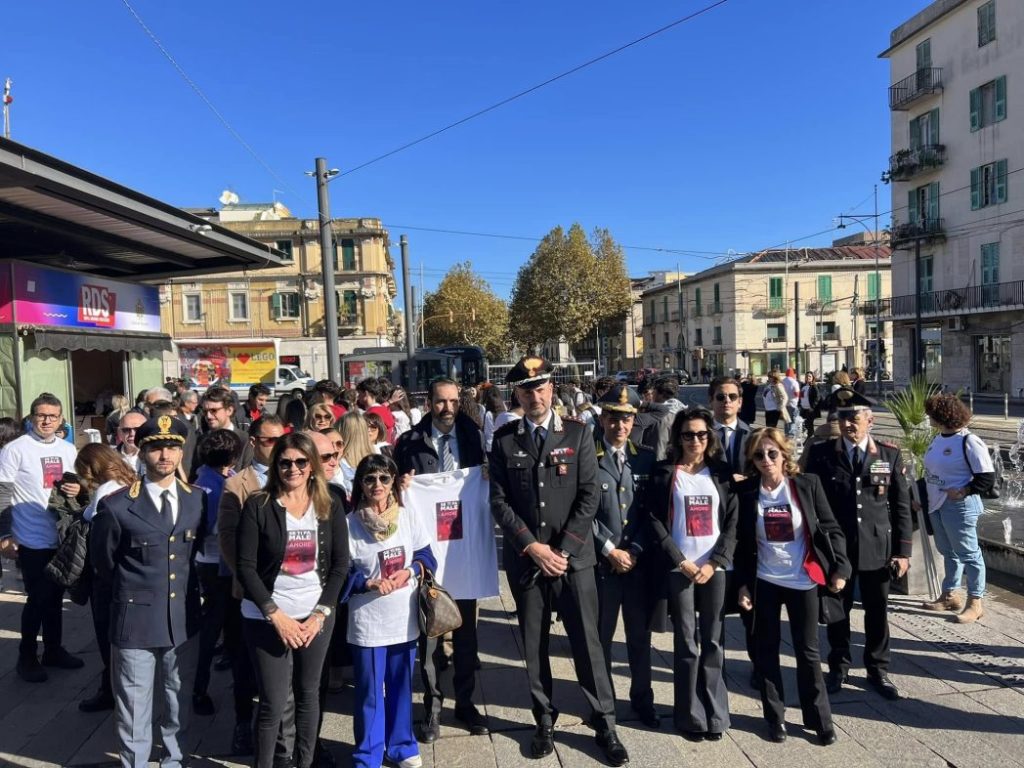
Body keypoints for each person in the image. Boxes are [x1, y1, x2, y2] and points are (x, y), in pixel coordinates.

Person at [489, 356, 628, 766]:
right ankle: (544, 719)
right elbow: (499, 501)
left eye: (542, 386)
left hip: (574, 561)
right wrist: (532, 547)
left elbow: (589, 496)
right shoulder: (505, 440)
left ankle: (605, 723)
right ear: (517, 393)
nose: (535, 395)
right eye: (527, 389)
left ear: (553, 388)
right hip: (529, 560)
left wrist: (563, 550)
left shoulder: (579, 433)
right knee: (535, 646)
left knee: (588, 643)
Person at [90, 415, 205, 768]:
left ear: (182, 451)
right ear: (141, 451)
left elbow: (193, 553)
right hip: (135, 621)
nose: (164, 455)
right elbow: (104, 564)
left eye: (172, 447)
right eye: (156, 447)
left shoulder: (197, 500)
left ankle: (173, 761)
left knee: (177, 700)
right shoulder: (117, 505)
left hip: (182, 620)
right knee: (134, 707)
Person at [236, 432, 350, 768]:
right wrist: (277, 617)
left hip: (315, 615)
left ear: (313, 465)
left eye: (301, 461)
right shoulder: (259, 505)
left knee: (309, 694)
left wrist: (319, 615)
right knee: (272, 701)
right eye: (285, 462)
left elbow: (340, 565)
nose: (293, 468)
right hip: (267, 616)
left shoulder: (329, 503)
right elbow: (245, 567)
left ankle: (306, 761)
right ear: (276, 465)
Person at [734, 428, 849, 746]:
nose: (766, 460)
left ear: (785, 454)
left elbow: (830, 528)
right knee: (766, 651)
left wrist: (841, 568)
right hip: (765, 581)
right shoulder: (747, 492)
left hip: (802, 580)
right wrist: (742, 585)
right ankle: (775, 718)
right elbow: (742, 545)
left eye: (772, 453)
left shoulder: (806, 485)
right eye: (759, 455)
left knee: (808, 652)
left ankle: (819, 719)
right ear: (752, 459)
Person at [393, 377, 490, 742]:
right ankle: (432, 708)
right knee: (430, 635)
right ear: (429, 402)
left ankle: (465, 703)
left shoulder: (473, 435)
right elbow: (395, 494)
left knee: (466, 634)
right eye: (440, 401)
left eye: (452, 401)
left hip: (464, 553)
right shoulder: (409, 442)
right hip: (428, 555)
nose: (447, 408)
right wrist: (403, 487)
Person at [802, 387, 912, 700]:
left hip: (877, 549)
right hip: (837, 549)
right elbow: (810, 501)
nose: (850, 423)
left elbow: (901, 506)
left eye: (856, 417)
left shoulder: (888, 454)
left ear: (870, 420)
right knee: (838, 610)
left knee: (877, 612)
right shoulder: (823, 454)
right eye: (844, 417)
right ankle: (838, 666)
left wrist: (903, 552)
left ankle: (878, 669)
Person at [647, 407, 736, 740]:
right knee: (687, 642)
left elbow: (732, 523)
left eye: (701, 434)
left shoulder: (722, 473)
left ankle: (716, 714)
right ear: (678, 438)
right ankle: (689, 716)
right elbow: (654, 520)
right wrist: (680, 559)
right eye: (688, 434)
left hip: (714, 568)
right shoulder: (665, 473)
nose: (695, 440)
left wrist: (716, 561)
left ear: (709, 437)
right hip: (680, 567)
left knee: (713, 640)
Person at [343, 454, 436, 768]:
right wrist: (367, 584)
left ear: (393, 481)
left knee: (401, 686)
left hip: (403, 617)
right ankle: (368, 754)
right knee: (369, 692)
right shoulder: (349, 523)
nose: (377, 485)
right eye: (370, 479)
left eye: (384, 478)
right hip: (368, 621)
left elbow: (426, 555)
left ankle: (402, 746)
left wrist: (410, 571)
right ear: (361, 484)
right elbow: (339, 572)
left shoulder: (408, 516)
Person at [589, 384, 659, 728]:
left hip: (637, 564)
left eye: (627, 419)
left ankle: (643, 699)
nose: (620, 426)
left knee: (639, 639)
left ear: (635, 421)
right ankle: (602, 704)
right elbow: (581, 513)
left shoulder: (645, 457)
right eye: (614, 419)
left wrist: (634, 549)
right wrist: (609, 549)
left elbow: (650, 514)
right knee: (599, 639)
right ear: (603, 418)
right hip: (602, 565)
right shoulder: (587, 456)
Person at [0, 393, 82, 682]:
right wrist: (6, 534)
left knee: (56, 595)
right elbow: (2, 493)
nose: (47, 420)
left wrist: (77, 490)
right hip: (29, 537)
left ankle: (53, 649)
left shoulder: (68, 448)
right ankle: (26, 656)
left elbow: (76, 484)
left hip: (61, 535)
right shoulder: (15, 449)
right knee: (37, 598)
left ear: (61, 419)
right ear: (31, 417)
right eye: (41, 415)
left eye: (53, 416)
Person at [219, 414, 286, 756]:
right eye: (269, 440)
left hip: (292, 588)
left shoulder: (296, 474)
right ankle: (243, 723)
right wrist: (251, 579)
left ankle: (287, 737)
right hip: (251, 588)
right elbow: (228, 541)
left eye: (281, 438)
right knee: (244, 664)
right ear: (255, 442)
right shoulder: (238, 484)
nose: (276, 447)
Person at [74, 443, 139, 713]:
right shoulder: (133, 481)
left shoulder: (105, 495)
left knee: (107, 639)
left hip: (108, 580)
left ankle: (112, 692)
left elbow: (102, 550)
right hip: (133, 573)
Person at [920, 393, 995, 624]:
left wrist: (963, 491)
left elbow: (987, 478)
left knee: (969, 554)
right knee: (947, 551)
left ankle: (975, 602)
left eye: (931, 413)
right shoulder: (938, 438)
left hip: (959, 507)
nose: (928, 417)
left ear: (942, 416)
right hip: (937, 505)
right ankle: (950, 594)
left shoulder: (968, 440)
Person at [191, 428, 244, 716]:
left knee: (221, 626)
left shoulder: (208, 478)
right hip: (217, 565)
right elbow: (214, 528)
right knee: (218, 627)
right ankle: (200, 688)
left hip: (211, 562)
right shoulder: (215, 486)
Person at [707, 376, 752, 479]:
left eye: (732, 396)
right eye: (720, 397)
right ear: (710, 401)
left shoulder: (752, 436)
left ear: (740, 402)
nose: (727, 401)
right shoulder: (700, 435)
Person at [201, 387, 255, 469]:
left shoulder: (245, 440)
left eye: (213, 410)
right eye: (205, 411)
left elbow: (246, 475)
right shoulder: (202, 440)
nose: (208, 416)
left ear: (229, 410)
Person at [356, 378, 396, 444]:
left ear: (366, 394)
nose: (358, 397)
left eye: (359, 394)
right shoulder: (386, 410)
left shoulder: (370, 414)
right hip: (386, 448)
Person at [115, 410, 147, 474]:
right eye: (126, 430)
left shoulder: (156, 456)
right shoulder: (110, 457)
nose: (132, 434)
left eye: (137, 429)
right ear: (119, 432)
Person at [798, 373, 821, 437]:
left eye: (809, 376)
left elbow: (817, 397)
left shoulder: (814, 386)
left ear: (812, 378)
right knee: (803, 424)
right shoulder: (803, 386)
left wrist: (812, 407)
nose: (808, 377)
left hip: (810, 409)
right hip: (803, 408)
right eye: (807, 376)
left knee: (809, 424)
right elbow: (801, 397)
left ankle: (811, 438)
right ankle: (810, 436)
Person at [781, 369, 800, 437]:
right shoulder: (794, 382)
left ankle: (786, 435)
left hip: (785, 404)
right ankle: (792, 435)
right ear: (793, 374)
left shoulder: (782, 381)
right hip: (793, 404)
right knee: (793, 421)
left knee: (786, 421)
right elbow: (797, 394)